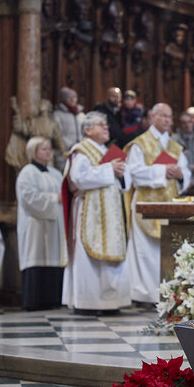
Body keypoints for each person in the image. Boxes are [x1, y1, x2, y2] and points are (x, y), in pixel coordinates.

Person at [62, 112, 132, 314]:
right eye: (101, 124)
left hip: (111, 210)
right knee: (87, 256)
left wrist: (120, 174)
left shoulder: (109, 151)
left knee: (111, 257)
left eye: (106, 124)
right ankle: (87, 302)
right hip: (89, 210)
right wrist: (109, 169)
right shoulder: (81, 151)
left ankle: (110, 302)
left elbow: (125, 184)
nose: (106, 127)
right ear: (87, 130)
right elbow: (78, 178)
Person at [125, 103, 191, 306]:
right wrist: (162, 171)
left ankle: (168, 293)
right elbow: (133, 172)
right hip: (145, 203)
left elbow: (186, 173)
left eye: (170, 116)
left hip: (170, 204)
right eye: (163, 116)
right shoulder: (139, 144)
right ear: (152, 116)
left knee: (168, 250)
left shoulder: (175, 146)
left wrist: (181, 175)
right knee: (145, 251)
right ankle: (144, 295)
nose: (167, 120)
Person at [16, 137, 66, 310]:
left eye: (49, 148)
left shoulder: (56, 173)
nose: (48, 152)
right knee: (36, 257)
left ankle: (53, 299)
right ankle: (34, 301)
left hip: (55, 226)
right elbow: (28, 198)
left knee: (54, 258)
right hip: (35, 225)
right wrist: (54, 198)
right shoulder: (27, 173)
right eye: (44, 149)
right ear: (33, 151)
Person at [172, 108, 194, 188]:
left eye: (189, 122)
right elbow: (173, 164)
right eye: (184, 123)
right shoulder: (174, 140)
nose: (187, 125)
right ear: (179, 124)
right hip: (182, 184)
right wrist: (192, 167)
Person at [52, 87, 83, 172]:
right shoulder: (58, 114)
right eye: (69, 97)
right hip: (65, 151)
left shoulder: (80, 114)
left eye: (74, 97)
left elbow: (84, 131)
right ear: (64, 99)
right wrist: (68, 145)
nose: (72, 99)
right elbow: (57, 133)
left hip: (80, 150)